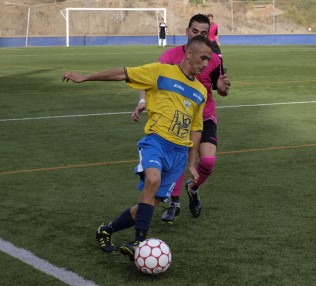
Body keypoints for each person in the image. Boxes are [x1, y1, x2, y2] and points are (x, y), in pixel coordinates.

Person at [62, 35, 213, 258]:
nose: (206, 64)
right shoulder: (160, 72)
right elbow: (123, 73)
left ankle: (106, 230)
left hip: (179, 154)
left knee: (149, 204)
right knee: (152, 180)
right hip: (156, 143)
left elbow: (196, 127)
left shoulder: (200, 91)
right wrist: (86, 77)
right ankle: (138, 243)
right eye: (203, 58)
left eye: (209, 60)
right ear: (189, 54)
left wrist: (192, 162)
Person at [131, 14, 230, 224]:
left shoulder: (214, 59)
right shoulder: (171, 56)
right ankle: (174, 202)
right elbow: (149, 78)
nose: (200, 35)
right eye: (195, 31)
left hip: (205, 115)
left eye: (204, 33)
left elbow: (220, 88)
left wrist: (222, 88)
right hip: (178, 117)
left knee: (209, 162)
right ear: (187, 32)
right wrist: (142, 102)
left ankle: (192, 188)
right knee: (178, 158)